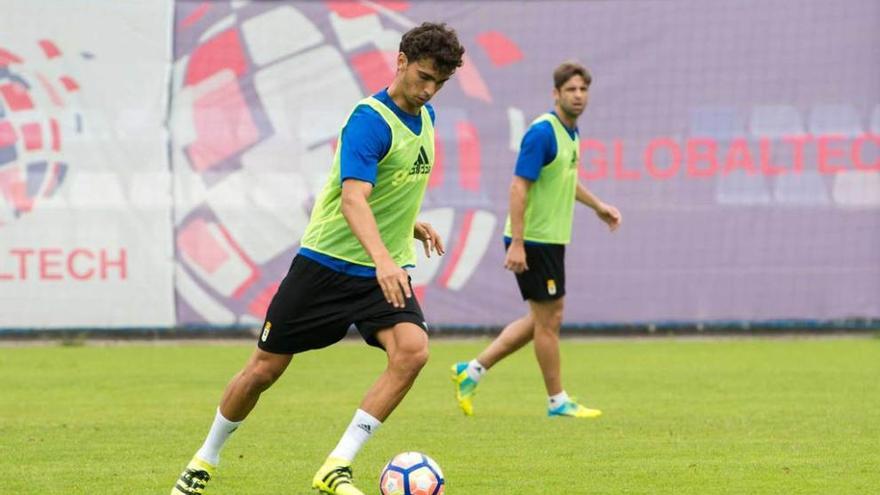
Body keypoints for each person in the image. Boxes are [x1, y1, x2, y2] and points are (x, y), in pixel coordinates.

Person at [171, 22, 464, 495]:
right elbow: (351, 200)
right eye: (424, 76)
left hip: (380, 271)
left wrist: (408, 224)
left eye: (439, 82)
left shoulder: (426, 118)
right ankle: (205, 458)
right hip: (326, 265)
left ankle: (336, 465)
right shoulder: (370, 119)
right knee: (264, 369)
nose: (429, 90)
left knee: (412, 352)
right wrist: (385, 260)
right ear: (401, 61)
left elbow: (384, 187)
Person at [451, 61, 621, 419]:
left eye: (582, 89)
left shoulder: (570, 133)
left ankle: (473, 370)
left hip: (551, 240)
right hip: (533, 241)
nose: (577, 95)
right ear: (555, 93)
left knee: (543, 317)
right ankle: (557, 401)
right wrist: (518, 243)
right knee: (549, 320)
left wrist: (598, 206)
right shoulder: (542, 133)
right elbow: (518, 186)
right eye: (570, 89)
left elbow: (565, 180)